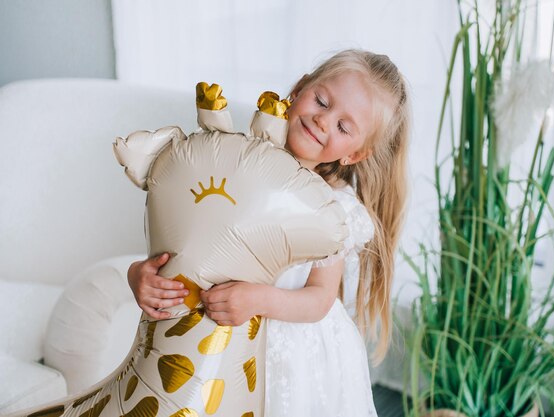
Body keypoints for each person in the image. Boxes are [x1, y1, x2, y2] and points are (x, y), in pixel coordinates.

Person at [128, 49, 410, 416]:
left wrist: (258, 300)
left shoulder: (331, 209)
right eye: (321, 101)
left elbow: (320, 299)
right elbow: (181, 242)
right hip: (210, 341)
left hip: (289, 356)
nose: (323, 121)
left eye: (343, 127)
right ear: (299, 89)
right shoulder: (231, 162)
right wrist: (139, 275)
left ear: (354, 155)